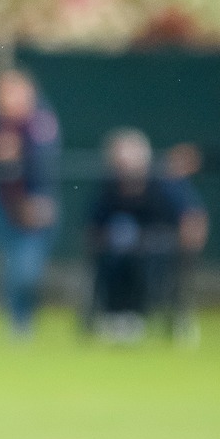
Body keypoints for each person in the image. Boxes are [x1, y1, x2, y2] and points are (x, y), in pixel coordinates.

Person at [0, 67, 60, 337]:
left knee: (27, 270)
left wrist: (18, 154)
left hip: (34, 207)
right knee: (9, 267)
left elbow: (45, 165)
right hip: (2, 205)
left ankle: (25, 319)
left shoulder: (40, 124)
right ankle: (17, 323)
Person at [85, 129, 184, 342]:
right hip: (115, 252)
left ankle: (137, 315)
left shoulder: (159, 185)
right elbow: (94, 223)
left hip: (152, 250)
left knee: (141, 262)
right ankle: (115, 315)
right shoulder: (107, 188)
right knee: (113, 259)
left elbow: (173, 220)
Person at [158, 143, 209, 343]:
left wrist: (193, 238)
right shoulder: (162, 184)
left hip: (179, 248)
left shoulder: (183, 187)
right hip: (161, 245)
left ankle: (180, 323)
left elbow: (196, 217)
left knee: (181, 288)